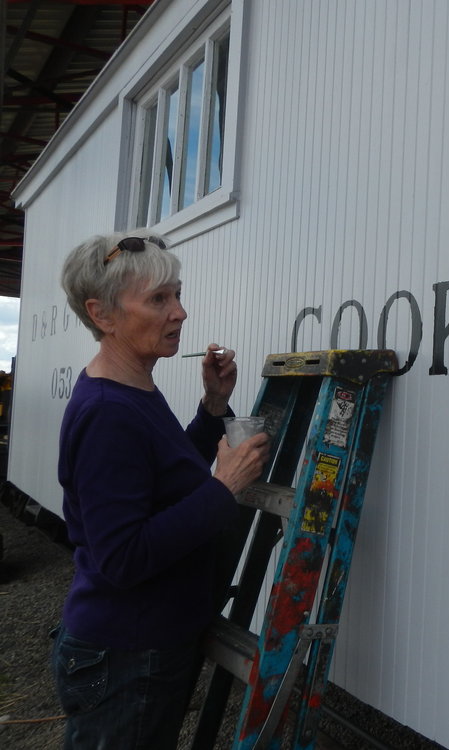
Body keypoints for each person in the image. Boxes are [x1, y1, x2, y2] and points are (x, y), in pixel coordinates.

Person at [51, 232, 269, 749]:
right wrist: (223, 489)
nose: (180, 312)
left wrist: (213, 407)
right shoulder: (109, 412)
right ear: (101, 314)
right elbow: (123, 557)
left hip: (139, 646)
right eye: (158, 299)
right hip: (127, 653)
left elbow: (162, 480)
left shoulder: (134, 389)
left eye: (176, 294)